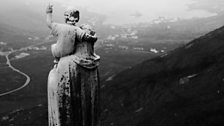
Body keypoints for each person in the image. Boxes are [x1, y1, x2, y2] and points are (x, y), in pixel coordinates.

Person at [46, 4, 100, 126]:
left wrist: (48, 12)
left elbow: (59, 98)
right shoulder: (95, 66)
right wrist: (93, 38)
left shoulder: (67, 63)